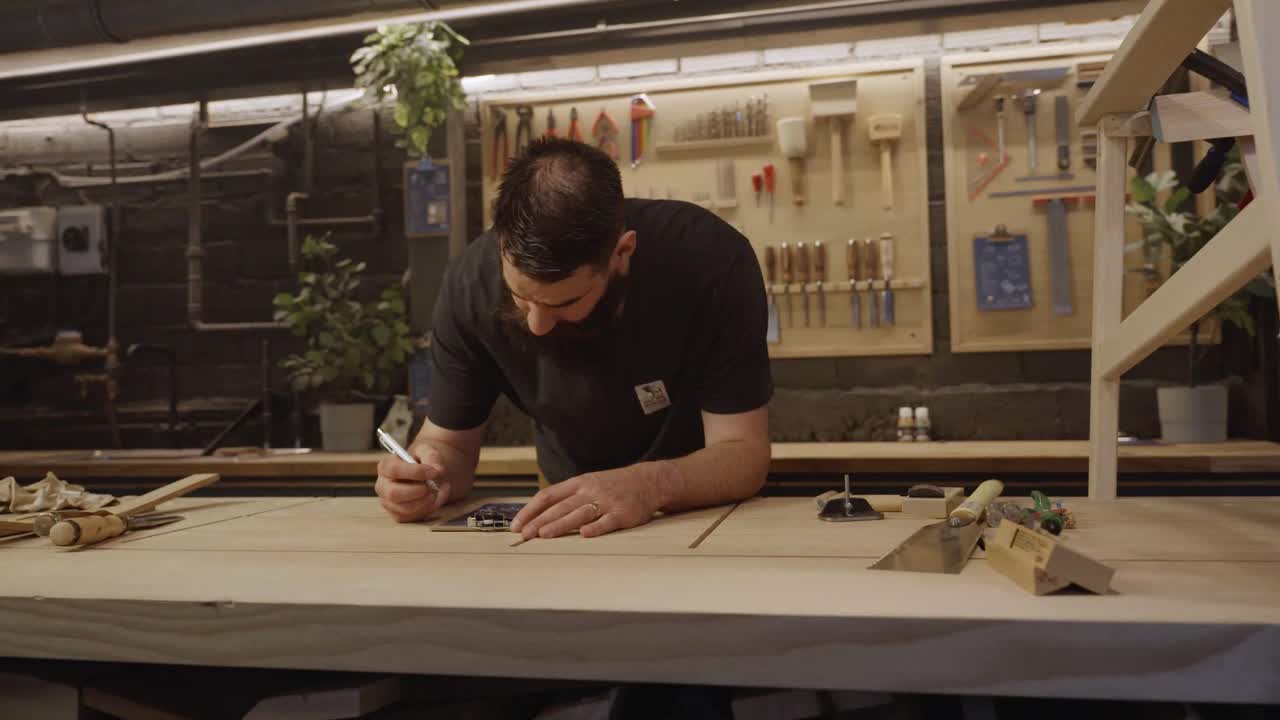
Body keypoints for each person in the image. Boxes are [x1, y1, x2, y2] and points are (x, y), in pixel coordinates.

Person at [375, 137, 772, 540]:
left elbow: (744, 454)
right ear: (500, 245)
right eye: (522, 296)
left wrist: (649, 485)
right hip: (566, 520)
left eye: (564, 302)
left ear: (622, 253)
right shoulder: (469, 286)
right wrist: (425, 475)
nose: (537, 325)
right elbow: (450, 447)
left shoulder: (709, 261)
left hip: (700, 515)